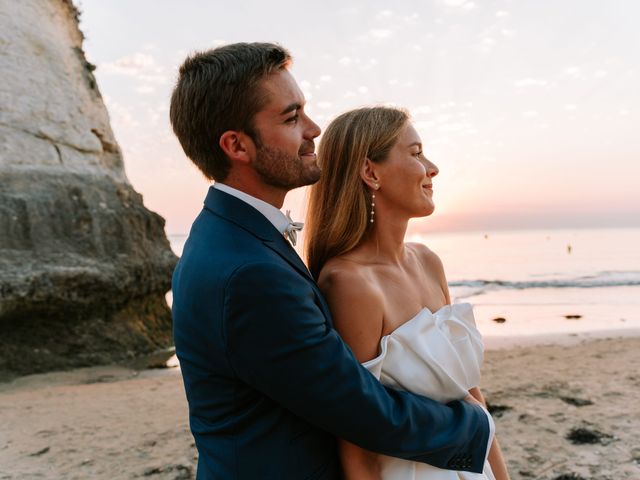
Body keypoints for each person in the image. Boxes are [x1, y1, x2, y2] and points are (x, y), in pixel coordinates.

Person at [169, 42, 493, 480]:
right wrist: (474, 424)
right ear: (237, 146)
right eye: (291, 117)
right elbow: (361, 411)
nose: (314, 128)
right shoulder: (249, 272)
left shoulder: (235, 239)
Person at [305, 106, 510, 479]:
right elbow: (357, 442)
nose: (432, 168)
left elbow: (471, 397)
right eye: (416, 154)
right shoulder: (350, 284)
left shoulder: (429, 261)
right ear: (370, 172)